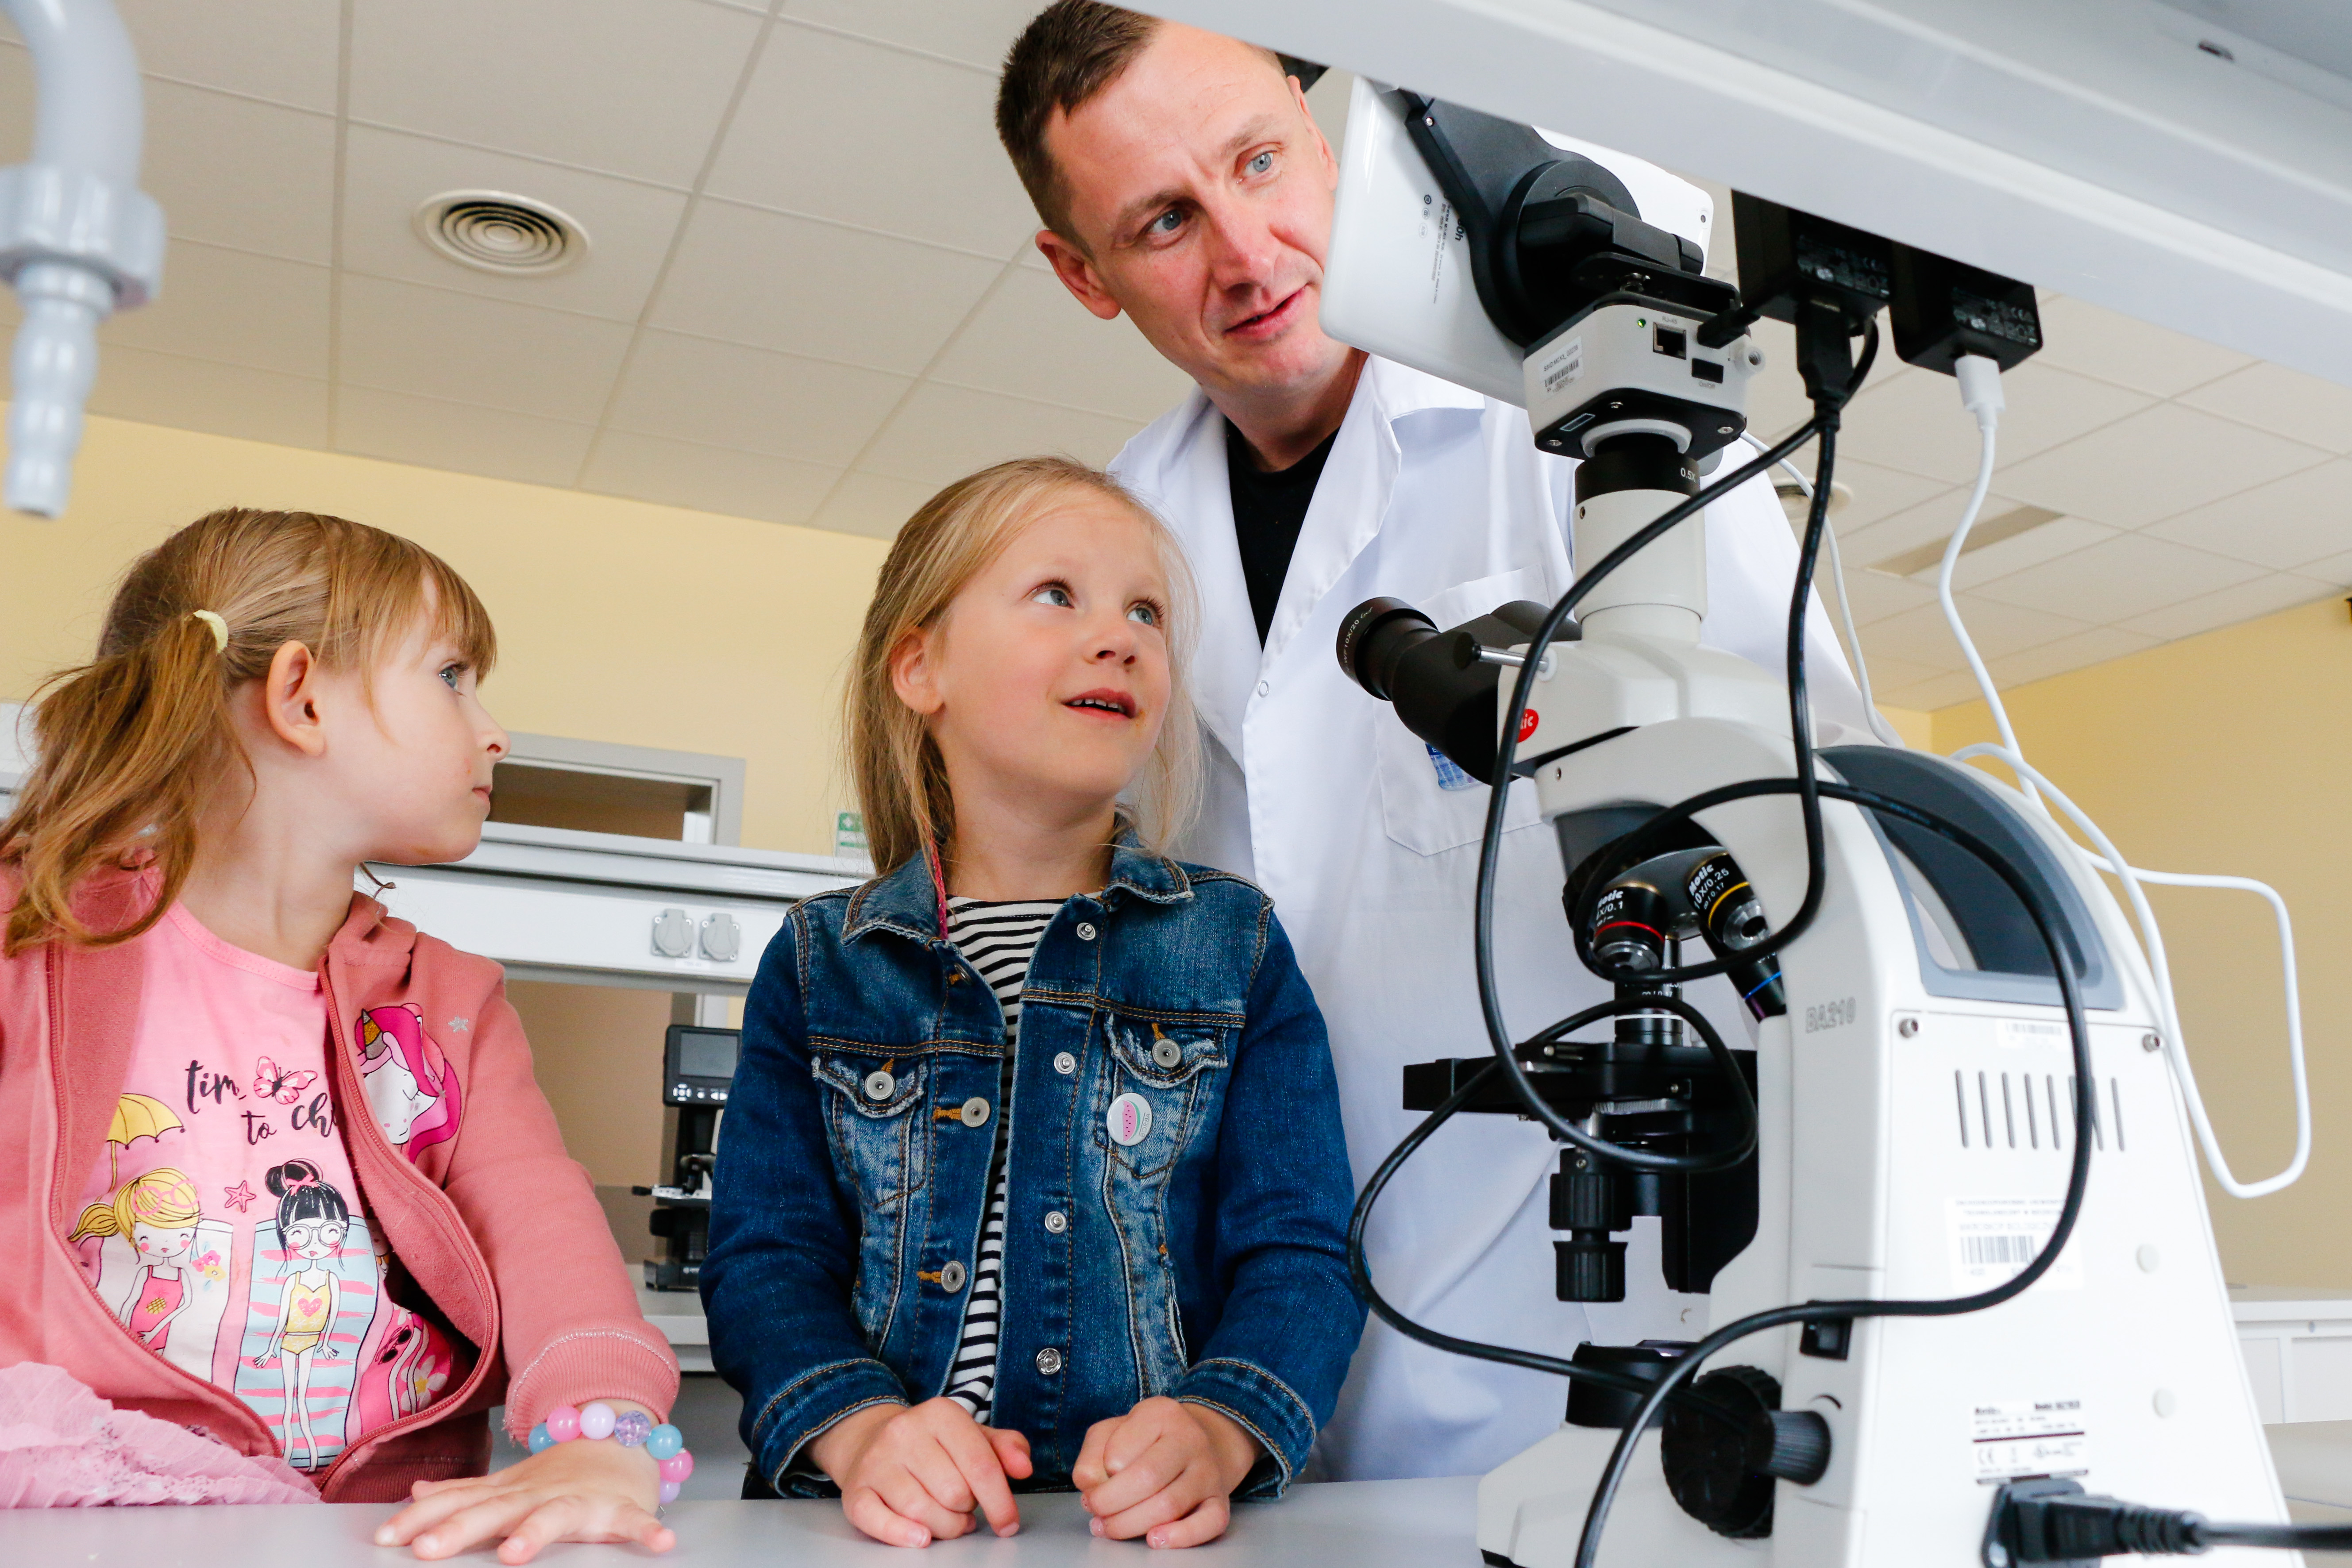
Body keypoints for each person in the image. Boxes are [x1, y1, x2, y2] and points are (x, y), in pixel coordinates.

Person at [995, 4, 1875, 1480]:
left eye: (1261, 159)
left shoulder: (1597, 415)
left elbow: (1813, 804)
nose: (1244, 249)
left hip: (1586, 1295)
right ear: (1083, 276)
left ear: (1314, 121)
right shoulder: (1121, 538)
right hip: (1251, 1353)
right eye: (1162, 221)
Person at [702, 458, 1362, 1549]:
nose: (1119, 636)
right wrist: (857, 1431)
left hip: (1137, 1532)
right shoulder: (823, 960)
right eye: (1058, 595)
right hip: (880, 1529)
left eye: (1144, 609)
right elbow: (766, 1258)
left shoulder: (1231, 944)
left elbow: (1300, 1250)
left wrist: (1220, 1424)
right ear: (920, 667)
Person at [0, 509, 683, 1561]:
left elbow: (549, 1238)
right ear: (302, 696)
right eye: (454, 675)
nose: (495, 729)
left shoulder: (448, 1001)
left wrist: (602, 1432)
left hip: (380, 1532)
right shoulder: (28, 941)